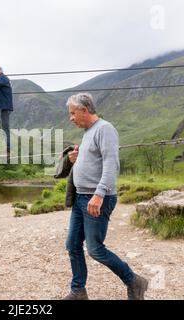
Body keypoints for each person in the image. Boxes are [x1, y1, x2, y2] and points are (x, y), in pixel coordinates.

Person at [63, 93, 149, 300]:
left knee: (95, 249)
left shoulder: (105, 129)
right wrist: (76, 158)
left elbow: (112, 165)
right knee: (72, 245)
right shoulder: (88, 132)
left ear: (85, 110)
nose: (71, 118)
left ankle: (135, 281)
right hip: (81, 198)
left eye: (73, 113)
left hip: (97, 199)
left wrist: (99, 194)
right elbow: (94, 161)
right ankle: (78, 292)